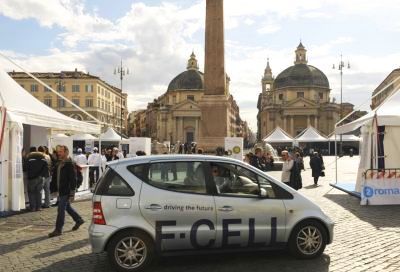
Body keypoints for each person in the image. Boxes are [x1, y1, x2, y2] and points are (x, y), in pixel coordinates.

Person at [49, 145, 84, 237]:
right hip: (61, 189)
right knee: (67, 207)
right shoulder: (59, 163)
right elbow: (55, 177)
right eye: (58, 151)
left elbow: (73, 179)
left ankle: (58, 229)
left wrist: (72, 192)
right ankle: (78, 220)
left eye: (61, 151)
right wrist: (53, 189)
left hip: (66, 190)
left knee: (60, 209)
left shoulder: (69, 163)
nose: (59, 153)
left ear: (66, 152)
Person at [25, 146, 48, 212]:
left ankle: (33, 208)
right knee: (39, 192)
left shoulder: (29, 157)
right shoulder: (43, 157)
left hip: (32, 178)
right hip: (41, 178)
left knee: (31, 192)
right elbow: (46, 167)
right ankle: (39, 207)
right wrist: (42, 175)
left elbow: (25, 167)